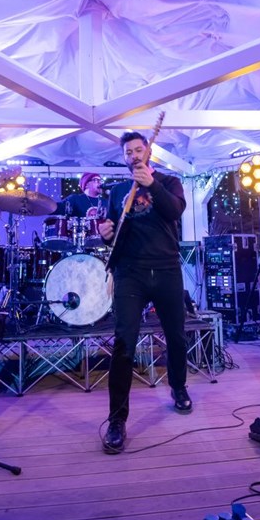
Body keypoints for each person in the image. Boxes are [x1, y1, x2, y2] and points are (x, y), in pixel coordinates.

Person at [97, 131, 191, 454]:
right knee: (124, 343)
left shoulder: (169, 182)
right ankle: (116, 420)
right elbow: (114, 231)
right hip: (131, 274)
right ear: (124, 158)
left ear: (149, 152)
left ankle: (178, 387)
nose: (134, 155)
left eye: (139, 149)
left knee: (176, 336)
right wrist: (105, 233)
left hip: (166, 269)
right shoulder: (117, 192)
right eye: (129, 152)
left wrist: (152, 184)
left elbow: (174, 212)